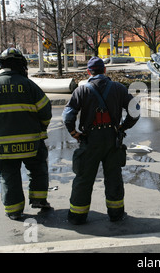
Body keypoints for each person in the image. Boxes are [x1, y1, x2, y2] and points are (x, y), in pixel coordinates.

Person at [0, 48, 52, 220]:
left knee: (9, 175)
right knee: (38, 169)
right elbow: (45, 112)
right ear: (21, 66)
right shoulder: (30, 86)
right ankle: (39, 200)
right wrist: (41, 129)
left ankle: (13, 210)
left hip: (3, 146)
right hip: (32, 143)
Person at [62, 56, 139, 225]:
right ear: (105, 70)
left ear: (89, 72)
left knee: (83, 178)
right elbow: (135, 110)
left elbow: (68, 116)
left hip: (90, 140)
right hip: (113, 140)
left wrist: (74, 133)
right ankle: (116, 214)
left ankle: (77, 217)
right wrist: (122, 127)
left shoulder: (81, 90)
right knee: (114, 178)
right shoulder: (118, 88)